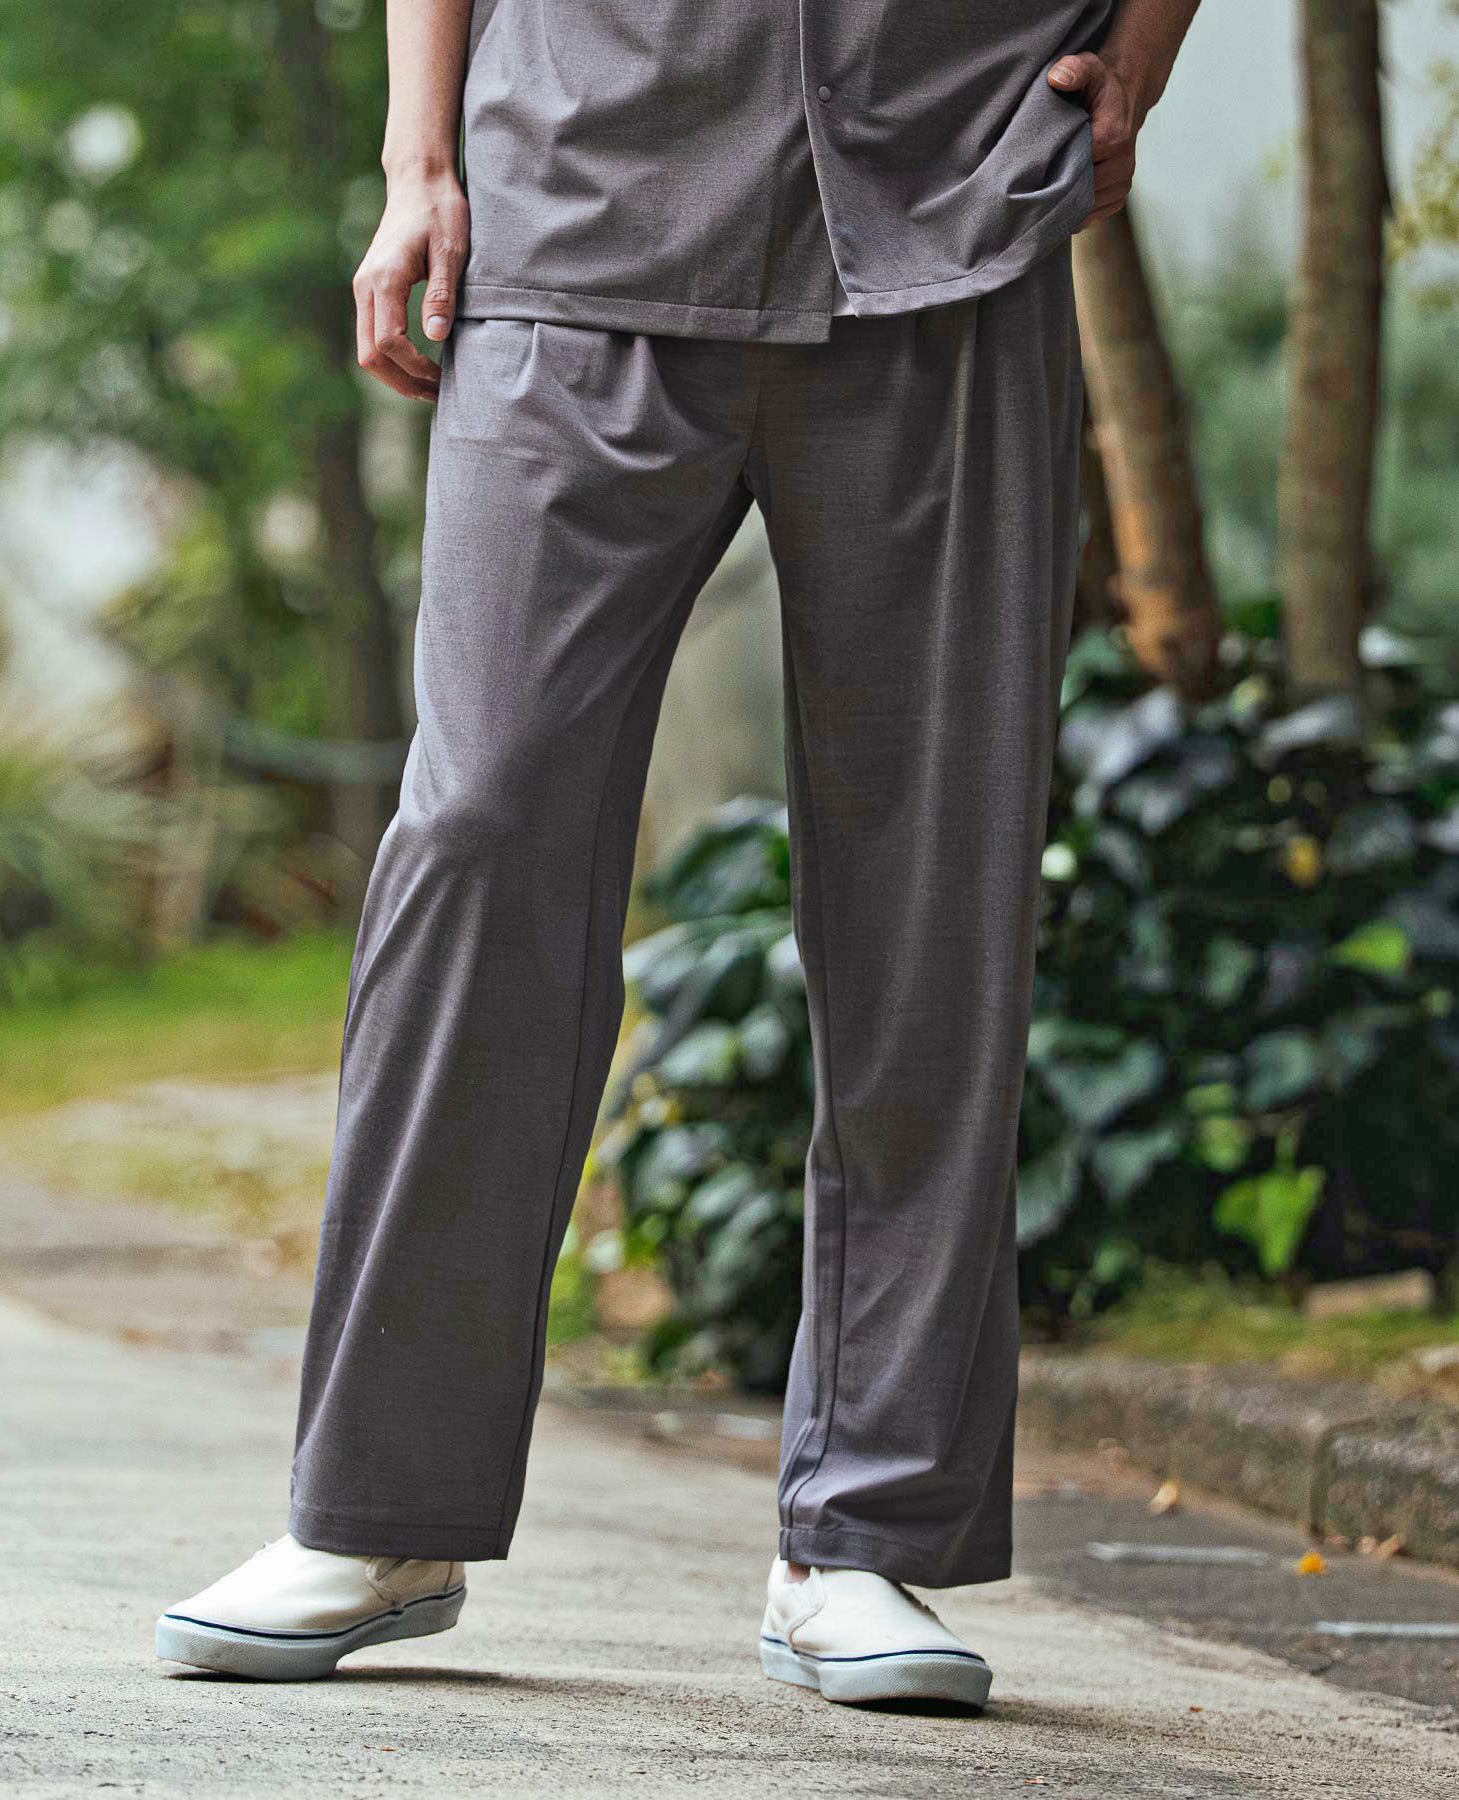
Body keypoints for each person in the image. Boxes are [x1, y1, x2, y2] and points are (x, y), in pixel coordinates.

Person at [156, 0, 1202, 1704]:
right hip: (580, 197)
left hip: (945, 196)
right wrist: (419, 161)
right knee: (481, 823)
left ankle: (864, 1534)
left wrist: (1139, 59)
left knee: (934, 874)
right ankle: (380, 1509)